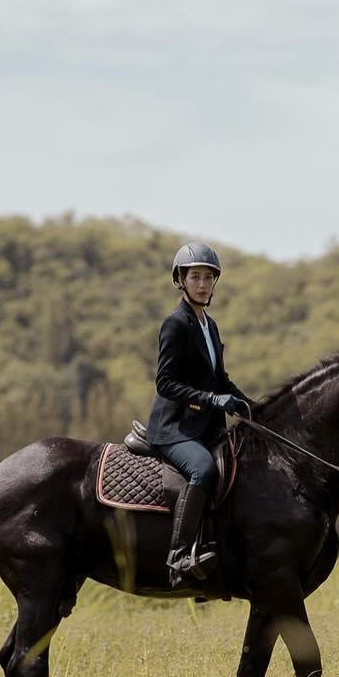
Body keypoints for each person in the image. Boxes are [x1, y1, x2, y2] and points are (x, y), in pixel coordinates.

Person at [145, 242, 252, 587]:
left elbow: (220, 379)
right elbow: (165, 383)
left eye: (208, 277)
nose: (202, 284)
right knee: (204, 469)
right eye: (195, 277)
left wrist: (249, 404)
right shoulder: (175, 324)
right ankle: (178, 556)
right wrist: (210, 399)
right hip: (175, 428)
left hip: (205, 427)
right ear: (181, 280)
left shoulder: (210, 325)